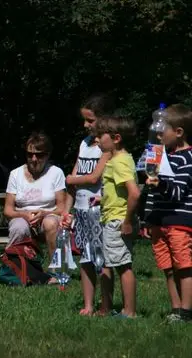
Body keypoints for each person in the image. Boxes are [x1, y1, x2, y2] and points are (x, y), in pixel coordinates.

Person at [63, 93, 115, 316]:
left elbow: (94, 177)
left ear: (103, 119)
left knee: (103, 260)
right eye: (84, 120)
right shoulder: (84, 144)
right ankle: (88, 304)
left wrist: (71, 179)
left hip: (100, 210)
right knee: (85, 257)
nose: (85, 125)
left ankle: (106, 305)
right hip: (82, 210)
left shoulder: (108, 146)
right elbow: (74, 179)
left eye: (90, 120)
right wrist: (66, 211)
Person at [144, 104, 192, 323]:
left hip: (179, 222)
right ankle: (175, 308)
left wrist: (160, 182)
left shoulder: (188, 158)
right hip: (160, 221)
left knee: (184, 266)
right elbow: (151, 192)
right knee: (167, 267)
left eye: (164, 129)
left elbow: (178, 192)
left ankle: (186, 311)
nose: (159, 132)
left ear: (179, 132)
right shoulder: (162, 155)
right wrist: (148, 218)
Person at [95, 115, 140, 318]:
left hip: (118, 221)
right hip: (114, 217)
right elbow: (120, 192)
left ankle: (129, 311)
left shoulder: (119, 162)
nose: (96, 140)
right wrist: (103, 200)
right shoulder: (121, 159)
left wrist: (127, 221)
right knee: (113, 263)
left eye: (100, 136)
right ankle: (114, 308)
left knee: (123, 266)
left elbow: (134, 193)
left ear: (116, 138)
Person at [4, 133, 66, 266]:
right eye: (29, 154)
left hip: (48, 216)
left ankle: (57, 269)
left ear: (48, 155)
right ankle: (15, 267)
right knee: (18, 227)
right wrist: (24, 215)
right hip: (23, 216)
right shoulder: (15, 174)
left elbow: (62, 208)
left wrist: (44, 213)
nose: (34, 159)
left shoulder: (56, 173)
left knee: (51, 223)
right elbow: (8, 210)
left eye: (39, 155)